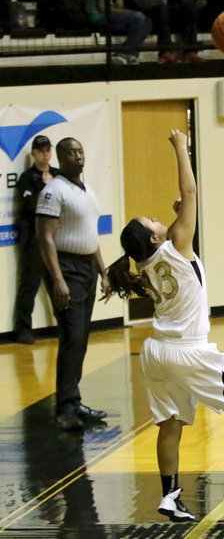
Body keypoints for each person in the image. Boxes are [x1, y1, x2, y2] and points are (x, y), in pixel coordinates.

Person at [106, 130, 224, 522]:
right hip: (187, 349)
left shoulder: (146, 264)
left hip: (156, 352)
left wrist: (177, 216)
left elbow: (177, 221)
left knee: (171, 425)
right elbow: (191, 193)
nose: (157, 216)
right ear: (153, 236)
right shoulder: (177, 244)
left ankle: (169, 496)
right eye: (152, 220)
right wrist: (181, 147)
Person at [36, 137, 112, 430]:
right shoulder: (53, 192)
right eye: (71, 152)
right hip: (65, 268)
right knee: (71, 337)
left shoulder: (86, 189)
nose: (78, 156)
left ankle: (74, 400)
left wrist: (103, 272)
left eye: (81, 150)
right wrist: (58, 280)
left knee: (80, 338)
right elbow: (45, 238)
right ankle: (65, 408)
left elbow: (90, 236)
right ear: (60, 157)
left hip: (85, 269)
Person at [12, 135, 59, 344]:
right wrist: (46, 188)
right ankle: (23, 328)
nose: (45, 153)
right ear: (34, 154)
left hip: (57, 240)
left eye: (48, 149)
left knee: (59, 283)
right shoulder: (27, 178)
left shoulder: (59, 175)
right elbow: (33, 208)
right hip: (33, 241)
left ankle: (65, 324)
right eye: (41, 150)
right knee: (28, 286)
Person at [84, 0, 152, 65]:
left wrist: (118, 2)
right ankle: (129, 54)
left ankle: (125, 53)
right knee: (138, 17)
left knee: (148, 21)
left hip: (111, 15)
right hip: (100, 17)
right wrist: (125, 11)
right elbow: (102, 7)